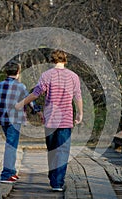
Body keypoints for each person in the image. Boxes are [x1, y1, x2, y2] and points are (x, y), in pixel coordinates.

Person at [15, 50, 83, 191]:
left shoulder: (46, 75)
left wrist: (21, 103)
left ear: (52, 60)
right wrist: (80, 113)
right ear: (65, 60)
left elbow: (36, 94)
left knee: (52, 150)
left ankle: (55, 179)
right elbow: (78, 96)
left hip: (51, 119)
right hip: (65, 119)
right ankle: (57, 182)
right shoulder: (73, 76)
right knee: (62, 151)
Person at [0, 60, 41, 184]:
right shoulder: (21, 86)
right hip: (15, 120)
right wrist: (39, 112)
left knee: (11, 144)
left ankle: (12, 172)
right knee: (11, 145)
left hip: (3, 119)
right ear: (18, 72)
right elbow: (30, 101)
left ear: (6, 72)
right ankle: (6, 174)